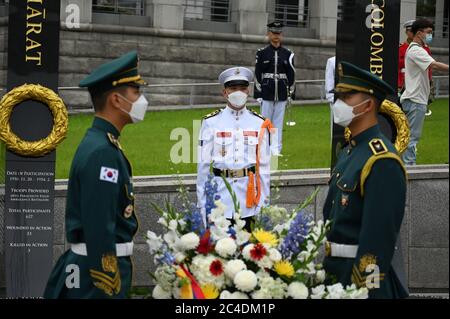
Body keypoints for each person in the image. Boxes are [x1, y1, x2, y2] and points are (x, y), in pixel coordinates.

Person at [44, 51, 148, 298]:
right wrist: (106, 278)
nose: (142, 99)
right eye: (136, 92)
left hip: (92, 268)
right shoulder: (103, 152)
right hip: (97, 276)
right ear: (116, 100)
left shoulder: (102, 143)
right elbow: (99, 222)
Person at [323, 61, 408, 299]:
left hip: (360, 284)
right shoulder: (350, 151)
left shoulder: (381, 160)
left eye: (347, 96)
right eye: (338, 96)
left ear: (368, 105)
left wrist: (362, 288)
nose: (338, 104)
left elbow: (378, 238)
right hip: (335, 274)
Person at [197, 67, 272, 231]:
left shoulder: (259, 123)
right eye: (233, 88)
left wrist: (264, 204)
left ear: (248, 91)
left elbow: (264, 169)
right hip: (219, 200)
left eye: (243, 88)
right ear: (225, 93)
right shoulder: (211, 122)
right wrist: (202, 205)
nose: (239, 92)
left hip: (249, 201)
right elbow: (202, 169)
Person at [400, 19, 449, 166]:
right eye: (428, 33)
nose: (430, 36)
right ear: (419, 33)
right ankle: (409, 169)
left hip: (414, 99)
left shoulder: (416, 49)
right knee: (412, 138)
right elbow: (434, 64)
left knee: (408, 137)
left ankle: (406, 167)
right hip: (415, 100)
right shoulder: (416, 50)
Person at [254, 21, 296, 156]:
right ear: (269, 34)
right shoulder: (262, 53)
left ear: (281, 35)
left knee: (278, 122)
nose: (276, 36)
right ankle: (264, 147)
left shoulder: (288, 54)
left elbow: (292, 74)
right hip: (267, 90)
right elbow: (257, 73)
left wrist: (291, 93)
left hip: (282, 91)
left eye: (278, 33)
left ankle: (276, 149)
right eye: (273, 33)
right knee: (265, 120)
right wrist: (258, 93)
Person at [398, 19, 434, 117]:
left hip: (418, 83)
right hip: (403, 81)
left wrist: (430, 81)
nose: (411, 33)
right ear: (407, 32)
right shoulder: (401, 48)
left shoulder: (424, 48)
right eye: (409, 31)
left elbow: (429, 67)